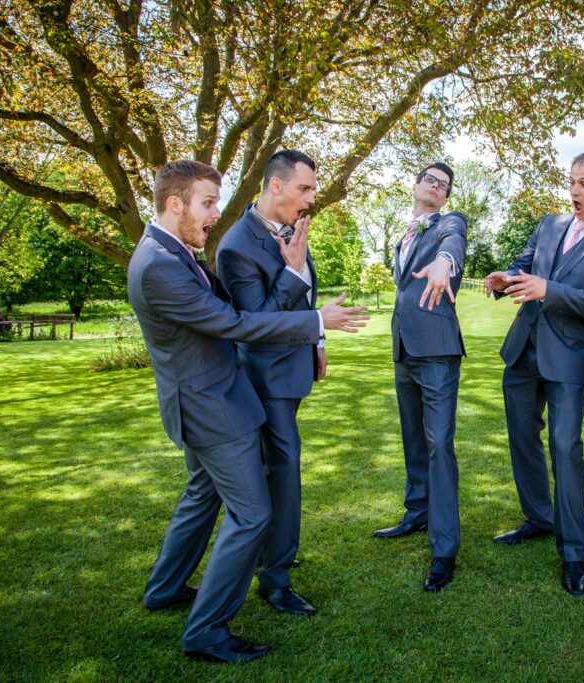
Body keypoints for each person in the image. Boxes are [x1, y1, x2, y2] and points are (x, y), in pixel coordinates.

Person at [130, 160, 366, 663]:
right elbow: (236, 323)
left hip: (206, 398)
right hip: (214, 406)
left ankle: (165, 588)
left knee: (202, 496)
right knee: (253, 513)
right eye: (207, 203)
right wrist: (314, 321)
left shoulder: (170, 252)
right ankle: (207, 632)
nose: (217, 213)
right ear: (175, 204)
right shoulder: (159, 266)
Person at [484, 151, 584, 596]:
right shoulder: (549, 225)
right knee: (521, 438)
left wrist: (549, 289)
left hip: (567, 358)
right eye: (571, 182)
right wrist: (504, 279)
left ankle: (573, 554)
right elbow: (524, 264)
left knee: (566, 449)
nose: (574, 191)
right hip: (523, 350)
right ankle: (538, 518)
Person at [216, 149, 325, 617]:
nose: (311, 198)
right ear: (275, 186)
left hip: (293, 368)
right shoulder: (236, 246)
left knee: (277, 470)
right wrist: (293, 269)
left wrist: (316, 341)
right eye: (305, 188)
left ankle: (272, 553)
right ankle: (275, 579)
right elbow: (255, 320)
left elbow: (304, 294)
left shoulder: (290, 228)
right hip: (265, 378)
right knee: (283, 470)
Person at [372, 162, 468, 592]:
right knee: (413, 437)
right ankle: (416, 512)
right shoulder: (406, 232)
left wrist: (445, 262)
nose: (434, 186)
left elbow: (453, 244)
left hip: (438, 351)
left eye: (443, 185)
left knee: (439, 443)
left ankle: (444, 548)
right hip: (404, 350)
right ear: (415, 184)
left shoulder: (450, 222)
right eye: (429, 179)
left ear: (446, 197)